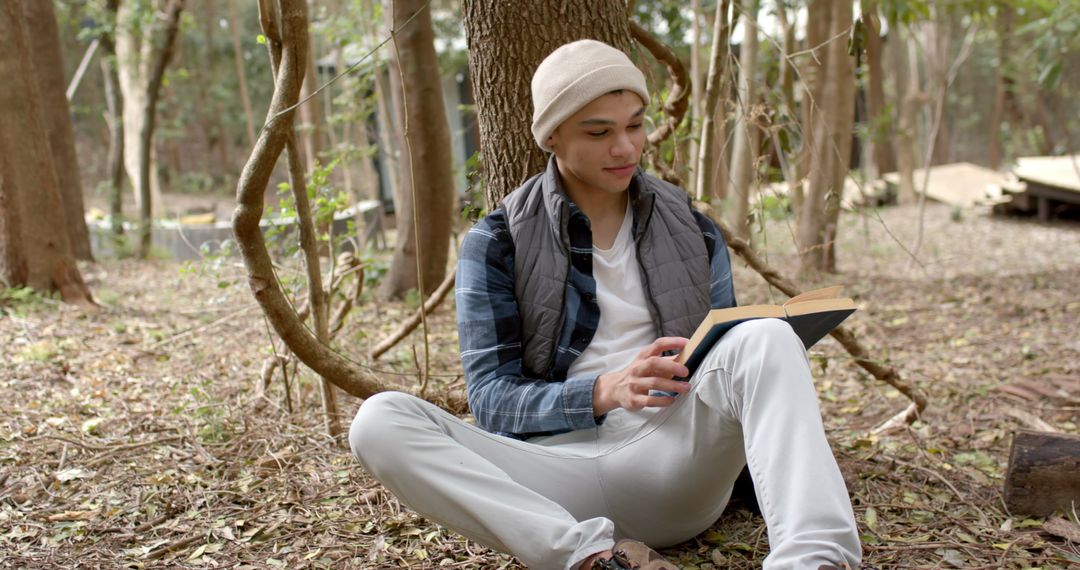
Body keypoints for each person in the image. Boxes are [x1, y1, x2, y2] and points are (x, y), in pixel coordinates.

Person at [350, 39, 862, 570]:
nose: (625, 148)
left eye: (635, 125)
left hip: (671, 463)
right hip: (550, 481)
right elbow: (492, 402)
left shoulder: (692, 229)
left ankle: (814, 560)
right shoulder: (496, 242)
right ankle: (595, 560)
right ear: (551, 136)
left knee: (765, 336)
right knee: (379, 421)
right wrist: (605, 390)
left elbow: (726, 370)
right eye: (599, 132)